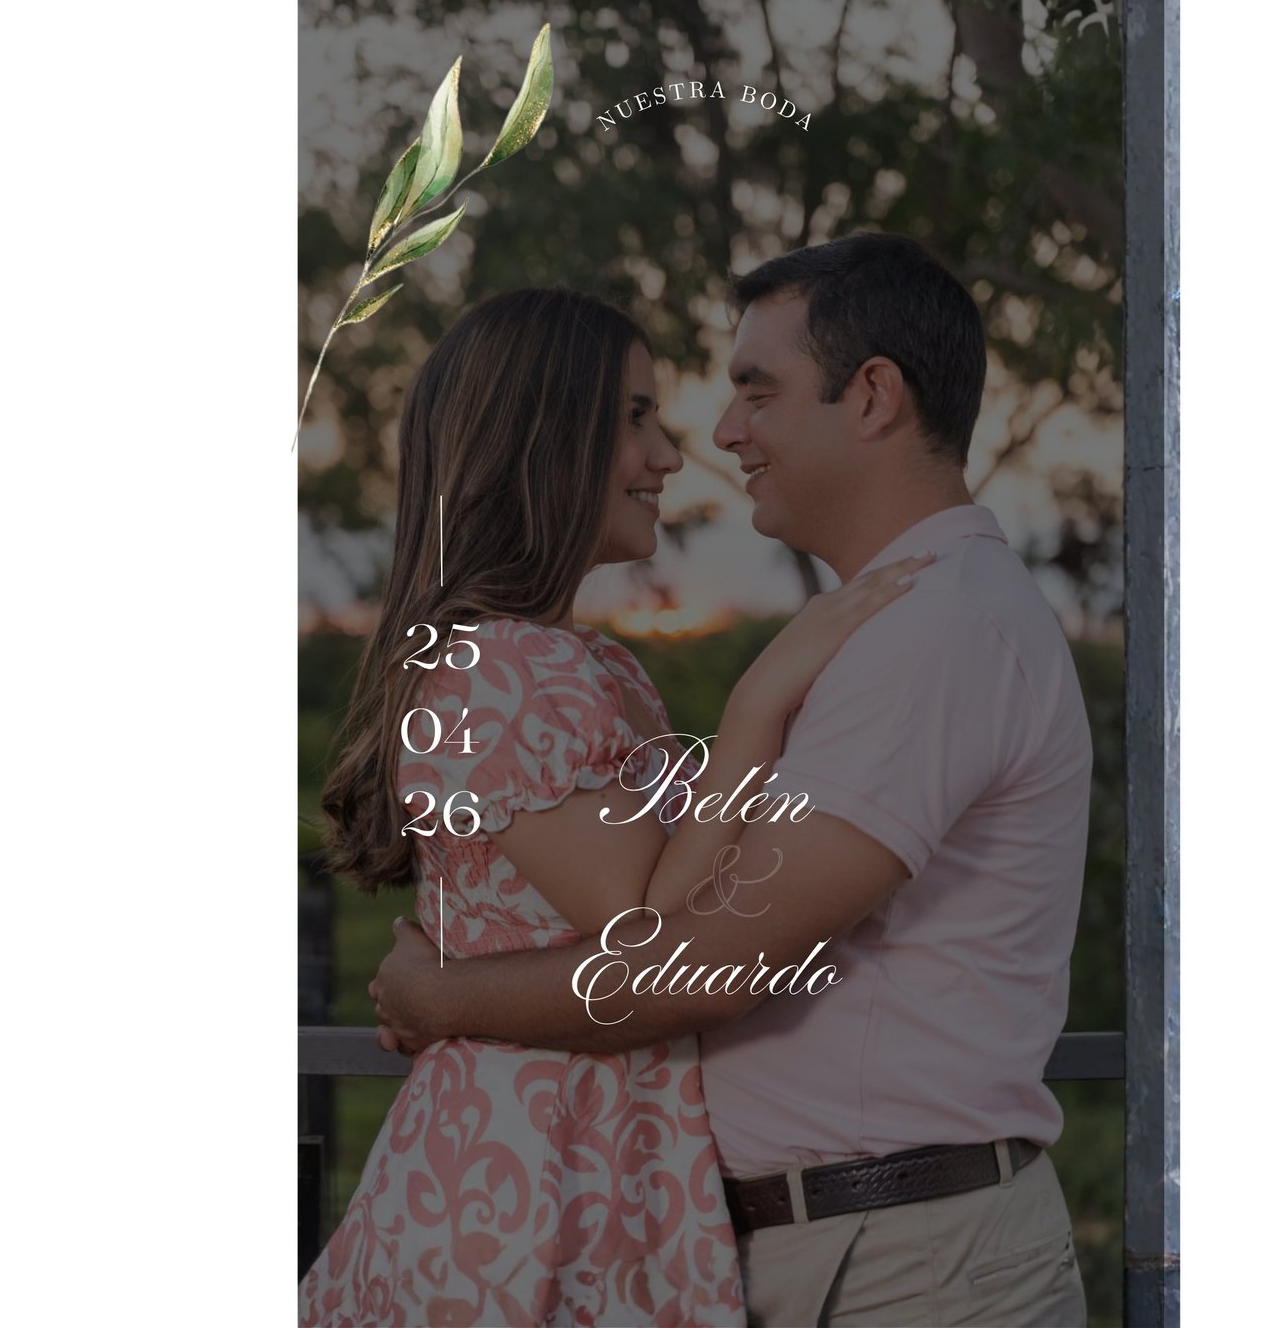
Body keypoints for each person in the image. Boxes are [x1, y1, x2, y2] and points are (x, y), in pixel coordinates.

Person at [371, 234, 1095, 1326]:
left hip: (899, 1262)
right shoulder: (884, 628)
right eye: (644, 416)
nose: (715, 437)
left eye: (756, 391)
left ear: (872, 396)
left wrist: (440, 998)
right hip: (809, 1243)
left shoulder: (933, 631)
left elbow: (698, 965)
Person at [298, 285, 932, 1327]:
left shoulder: (583, 667)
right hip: (530, 1181)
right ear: (543, 442)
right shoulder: (499, 671)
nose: (668, 456)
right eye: (633, 419)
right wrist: (761, 698)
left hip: (602, 1157)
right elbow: (650, 919)